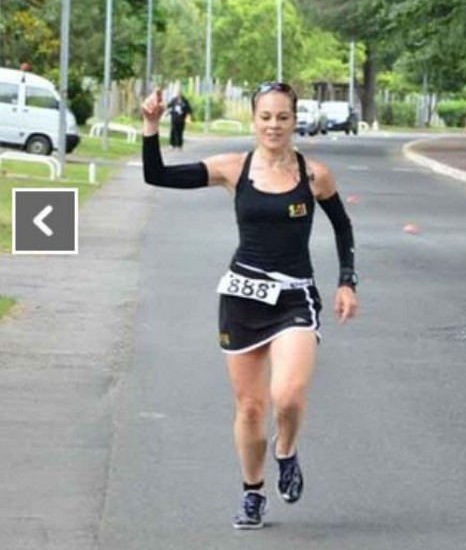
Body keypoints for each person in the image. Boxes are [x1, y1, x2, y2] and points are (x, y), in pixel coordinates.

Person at [141, 82, 358, 530]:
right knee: (250, 407)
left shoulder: (314, 174)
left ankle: (286, 451)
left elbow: (343, 227)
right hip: (242, 296)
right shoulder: (233, 169)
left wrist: (346, 282)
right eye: (265, 117)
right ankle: (253, 493)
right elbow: (157, 175)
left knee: (288, 394)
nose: (273, 125)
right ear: (253, 120)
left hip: (296, 295)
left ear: (294, 120)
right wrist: (150, 126)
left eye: (282, 117)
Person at [166, 85, 192, 150]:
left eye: (179, 92)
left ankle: (179, 145)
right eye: (177, 92)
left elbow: (189, 109)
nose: (178, 94)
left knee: (180, 132)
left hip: (181, 119)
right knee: (173, 131)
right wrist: (168, 111)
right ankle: (172, 144)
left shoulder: (184, 100)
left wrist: (188, 117)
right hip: (174, 119)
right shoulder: (174, 100)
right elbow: (168, 106)